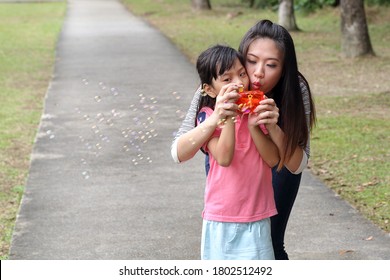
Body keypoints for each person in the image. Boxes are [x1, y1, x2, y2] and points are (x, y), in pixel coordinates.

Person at [171, 19, 316, 260]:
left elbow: (296, 164)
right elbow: (178, 152)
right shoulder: (217, 89)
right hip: (227, 156)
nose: (257, 73)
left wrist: (272, 128)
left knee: (272, 240)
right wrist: (217, 117)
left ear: (284, 69)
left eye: (271, 65)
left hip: (275, 157)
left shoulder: (294, 89)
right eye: (250, 62)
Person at [193, 44, 279, 260]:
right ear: (210, 89)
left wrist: (253, 126)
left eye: (242, 74)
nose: (239, 83)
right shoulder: (207, 117)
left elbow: (273, 160)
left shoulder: (256, 110)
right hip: (220, 217)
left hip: (257, 216)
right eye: (227, 79)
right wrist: (228, 117)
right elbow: (223, 157)